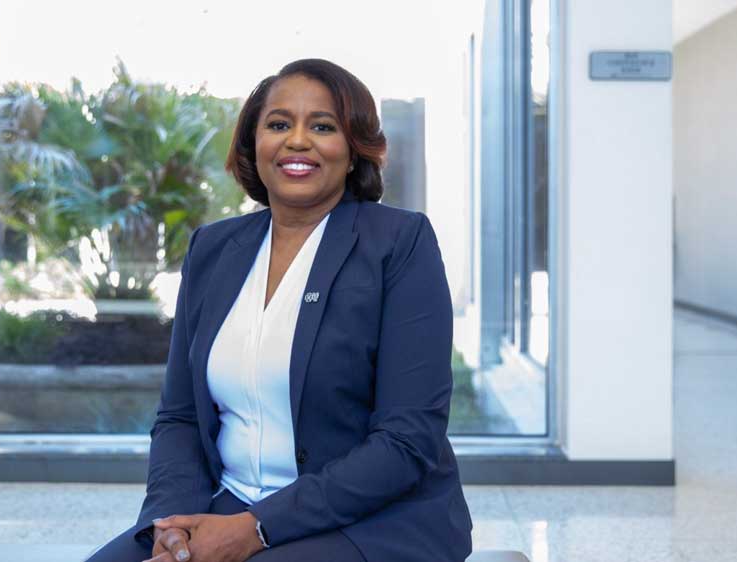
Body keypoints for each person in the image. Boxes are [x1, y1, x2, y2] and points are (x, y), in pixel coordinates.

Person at [85, 58, 473, 562]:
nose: (297, 141)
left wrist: (255, 528)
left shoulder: (399, 243)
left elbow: (407, 439)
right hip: (231, 505)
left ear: (352, 151)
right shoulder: (213, 249)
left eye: (323, 127)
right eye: (279, 124)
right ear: (255, 143)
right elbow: (180, 418)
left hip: (372, 522)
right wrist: (173, 524)